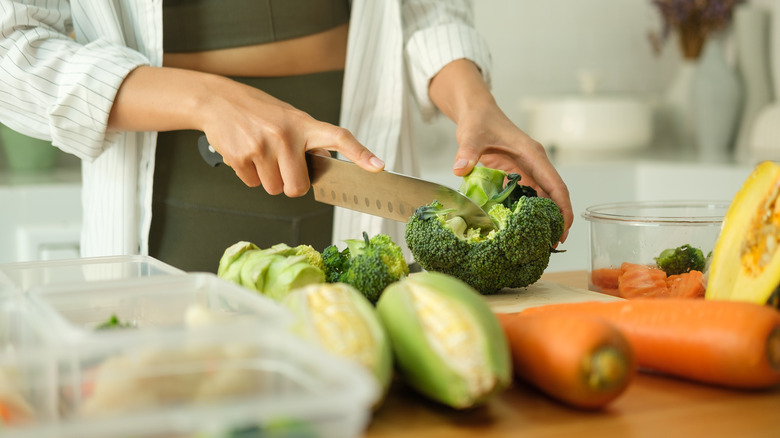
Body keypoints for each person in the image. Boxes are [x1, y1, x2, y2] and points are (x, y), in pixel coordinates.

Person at [0, 0, 572, 273]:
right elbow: (11, 47)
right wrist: (208, 99)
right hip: (166, 218)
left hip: (355, 184)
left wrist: (474, 103)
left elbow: (423, 12)